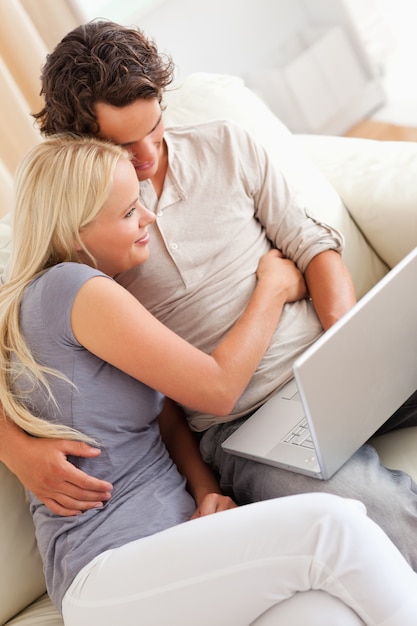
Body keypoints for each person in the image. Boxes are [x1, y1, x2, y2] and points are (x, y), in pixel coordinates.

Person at [1, 19, 417, 571]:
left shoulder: (226, 145)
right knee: (378, 517)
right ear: (78, 145)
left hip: (330, 360)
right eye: (125, 146)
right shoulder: (79, 239)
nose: (149, 154)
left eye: (156, 126)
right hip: (243, 424)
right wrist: (13, 445)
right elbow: (20, 329)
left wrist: (346, 334)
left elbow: (313, 244)